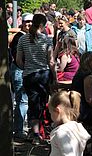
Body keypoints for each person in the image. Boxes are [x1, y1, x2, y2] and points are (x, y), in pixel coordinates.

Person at [16, 14, 56, 144]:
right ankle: (41, 132)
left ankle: (35, 133)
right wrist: (54, 77)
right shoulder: (47, 40)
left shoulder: (22, 39)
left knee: (32, 103)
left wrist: (27, 68)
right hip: (43, 75)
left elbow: (18, 60)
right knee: (42, 103)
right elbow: (51, 61)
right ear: (42, 25)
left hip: (29, 75)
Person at [9, 13, 33, 139]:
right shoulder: (19, 37)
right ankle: (19, 129)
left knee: (26, 100)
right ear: (22, 23)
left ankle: (23, 127)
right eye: (26, 22)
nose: (28, 24)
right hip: (20, 71)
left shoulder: (31, 36)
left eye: (31, 22)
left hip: (28, 71)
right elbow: (18, 58)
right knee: (22, 100)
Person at [48, 90, 91, 156]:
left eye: (51, 113)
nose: (50, 116)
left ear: (57, 110)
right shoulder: (78, 128)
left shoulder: (61, 133)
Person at [71, 51, 92, 129]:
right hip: (84, 111)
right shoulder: (88, 76)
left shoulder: (80, 72)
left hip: (76, 106)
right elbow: (89, 100)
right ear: (89, 62)